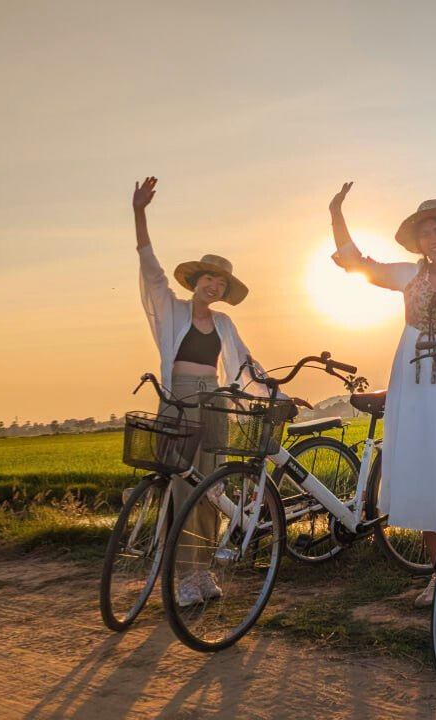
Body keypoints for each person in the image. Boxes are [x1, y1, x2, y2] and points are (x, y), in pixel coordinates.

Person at [328, 182, 436, 608]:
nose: (433, 240)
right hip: (413, 380)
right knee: (424, 475)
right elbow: (355, 262)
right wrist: (336, 214)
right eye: (426, 234)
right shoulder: (408, 275)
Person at [132, 176, 261, 607]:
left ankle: (202, 571)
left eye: (221, 284)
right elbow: (151, 271)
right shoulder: (173, 311)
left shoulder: (224, 324)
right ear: (196, 281)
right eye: (209, 279)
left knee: (211, 488)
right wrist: (140, 214)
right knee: (184, 488)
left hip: (216, 404)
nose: (214, 287)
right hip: (182, 400)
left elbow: (245, 363)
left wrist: (274, 392)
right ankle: (183, 576)